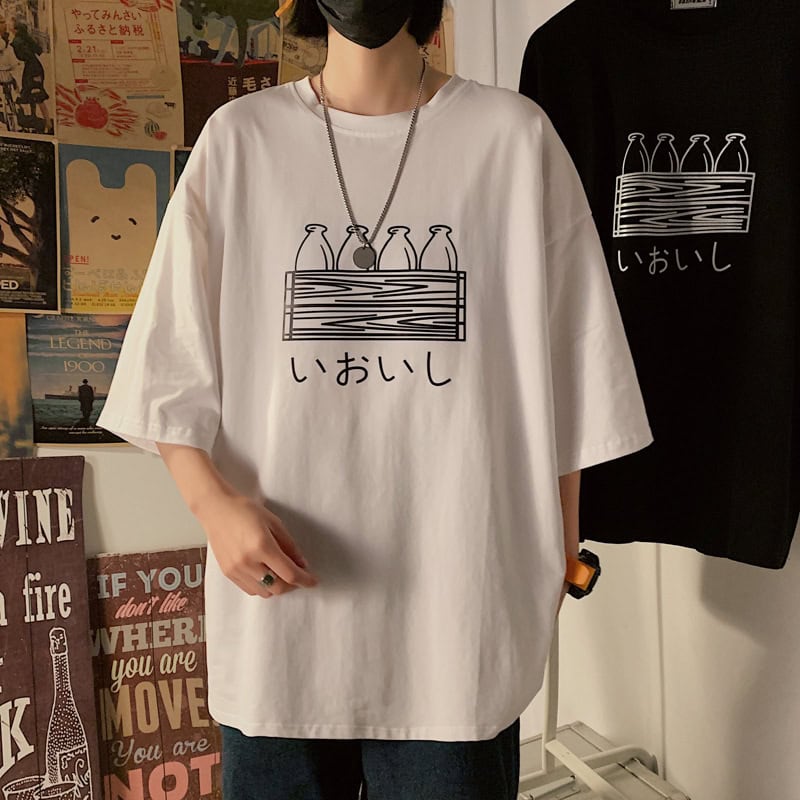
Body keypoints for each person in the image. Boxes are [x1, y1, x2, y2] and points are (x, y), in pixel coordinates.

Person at [96, 0, 653, 796]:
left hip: (459, 617)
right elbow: (167, 368)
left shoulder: (513, 140)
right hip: (280, 620)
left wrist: (555, 561)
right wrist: (213, 507)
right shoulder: (241, 141)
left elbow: (576, 371)